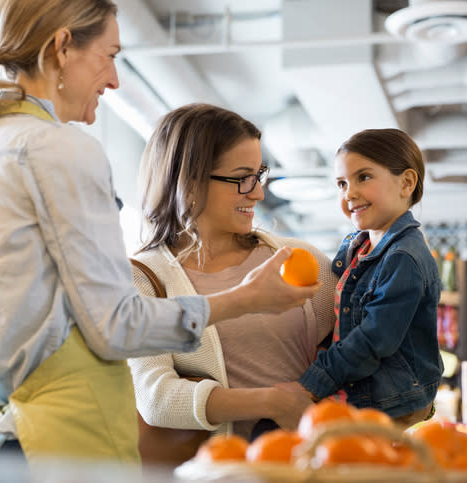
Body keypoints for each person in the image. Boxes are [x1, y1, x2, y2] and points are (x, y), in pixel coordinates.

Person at [0, 0, 318, 464]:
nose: (114, 79)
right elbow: (116, 325)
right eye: (110, 55)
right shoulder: (62, 149)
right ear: (63, 47)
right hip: (70, 437)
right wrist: (245, 298)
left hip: (10, 435)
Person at [128, 103, 337, 449]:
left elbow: (363, 346)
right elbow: (156, 398)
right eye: (242, 179)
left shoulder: (298, 259)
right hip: (220, 469)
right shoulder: (144, 278)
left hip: (311, 466)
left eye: (259, 174)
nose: (258, 192)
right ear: (190, 181)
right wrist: (272, 402)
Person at [277, 128, 443, 428]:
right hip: (359, 386)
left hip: (389, 402)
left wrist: (311, 384)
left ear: (406, 183)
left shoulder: (402, 257)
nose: (349, 193)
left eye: (363, 177)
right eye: (341, 183)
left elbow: (372, 341)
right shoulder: (358, 244)